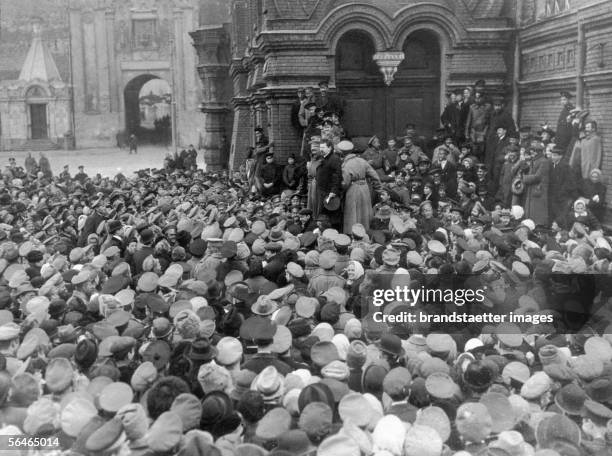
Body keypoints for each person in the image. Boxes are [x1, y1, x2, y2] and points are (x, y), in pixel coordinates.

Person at [339, 140, 382, 233]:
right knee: (365, 213)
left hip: (353, 189)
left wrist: (340, 192)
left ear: (342, 153)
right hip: (365, 188)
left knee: (353, 214)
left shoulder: (346, 165)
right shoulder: (362, 161)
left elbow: (345, 183)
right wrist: (379, 190)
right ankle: (366, 233)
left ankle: (353, 234)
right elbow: (375, 176)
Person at [521, 142, 551, 227]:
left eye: (533, 151)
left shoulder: (544, 161)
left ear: (538, 152)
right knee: (531, 214)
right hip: (533, 191)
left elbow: (538, 176)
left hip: (539, 191)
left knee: (538, 215)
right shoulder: (535, 161)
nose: (532, 153)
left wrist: (524, 178)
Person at [315, 139, 342, 226]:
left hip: (329, 193)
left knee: (331, 216)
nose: (321, 149)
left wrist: (333, 191)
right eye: (320, 147)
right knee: (324, 216)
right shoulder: (324, 158)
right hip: (323, 192)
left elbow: (337, 176)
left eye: (323, 147)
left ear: (330, 148)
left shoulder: (334, 159)